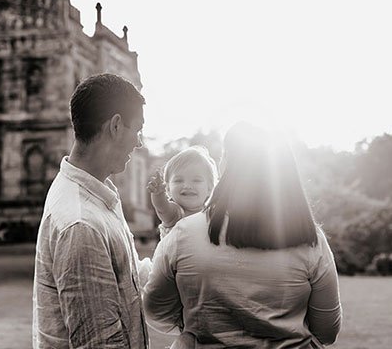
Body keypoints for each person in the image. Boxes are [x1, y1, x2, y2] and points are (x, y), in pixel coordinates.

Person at [143, 122, 342, 348]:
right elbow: (327, 331)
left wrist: (197, 320)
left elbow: (156, 311)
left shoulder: (184, 233)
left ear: (226, 164)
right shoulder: (311, 239)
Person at [32, 73, 149, 348]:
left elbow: (124, 279)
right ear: (117, 126)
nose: (140, 142)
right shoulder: (82, 223)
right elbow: (99, 343)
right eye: (138, 129)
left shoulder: (93, 192)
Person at [147, 146, 218, 238]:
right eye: (178, 180)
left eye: (196, 180)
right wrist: (158, 194)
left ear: (209, 188)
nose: (187, 186)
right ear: (168, 189)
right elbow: (162, 207)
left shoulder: (212, 215)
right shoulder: (176, 213)